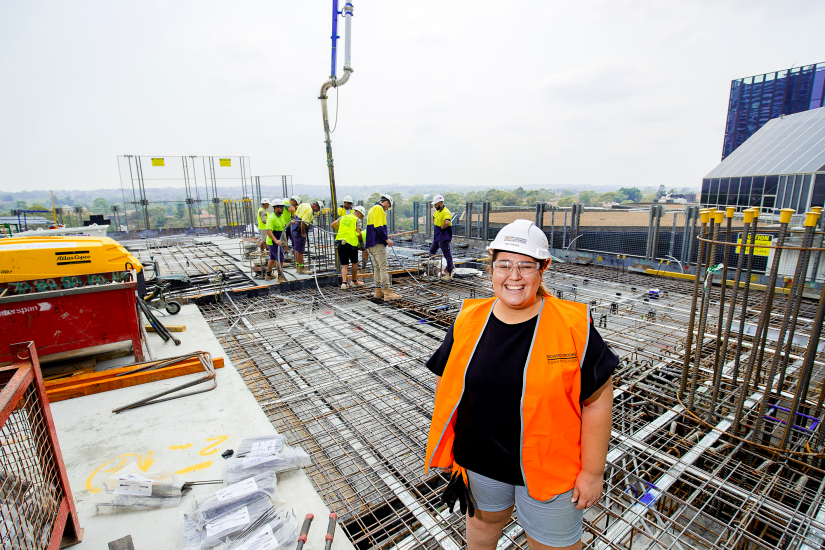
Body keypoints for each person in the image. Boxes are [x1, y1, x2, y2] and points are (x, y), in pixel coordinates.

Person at [424, 220, 617, 550]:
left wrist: (592, 472)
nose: (514, 276)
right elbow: (449, 380)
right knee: (482, 535)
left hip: (551, 470)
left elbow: (597, 401)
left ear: (544, 268)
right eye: (504, 265)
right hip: (481, 463)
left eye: (526, 266)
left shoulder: (573, 325)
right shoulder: (469, 318)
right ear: (492, 268)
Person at [366, 194, 400, 301]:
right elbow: (378, 227)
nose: (387, 209)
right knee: (383, 267)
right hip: (378, 243)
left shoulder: (372, 209)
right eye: (388, 206)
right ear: (386, 202)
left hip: (371, 244)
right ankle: (387, 292)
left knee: (377, 268)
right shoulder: (379, 209)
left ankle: (378, 291)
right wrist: (387, 239)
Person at [332, 205, 367, 289]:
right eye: (362, 216)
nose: (361, 218)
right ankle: (354, 281)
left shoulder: (343, 217)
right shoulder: (356, 220)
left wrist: (342, 229)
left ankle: (344, 283)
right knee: (354, 262)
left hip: (340, 242)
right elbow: (358, 232)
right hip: (351, 243)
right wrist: (361, 242)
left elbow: (333, 224)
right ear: (358, 213)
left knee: (344, 264)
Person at [291, 199, 323, 275]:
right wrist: (303, 233)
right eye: (317, 209)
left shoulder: (304, 204)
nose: (317, 211)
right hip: (299, 230)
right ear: (316, 206)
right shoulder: (309, 210)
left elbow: (296, 212)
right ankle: (301, 268)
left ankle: (298, 266)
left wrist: (295, 220)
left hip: (294, 228)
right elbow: (303, 222)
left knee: (297, 248)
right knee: (300, 250)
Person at [430, 195, 454, 281]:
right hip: (437, 236)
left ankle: (449, 273)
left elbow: (447, 222)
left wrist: (442, 227)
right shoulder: (437, 211)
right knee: (432, 251)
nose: (434, 206)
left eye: (436, 204)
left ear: (440, 203)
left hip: (443, 237)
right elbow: (433, 218)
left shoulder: (445, 212)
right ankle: (429, 268)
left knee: (447, 255)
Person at [264, 199, 288, 284]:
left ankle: (268, 274)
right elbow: (268, 230)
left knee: (272, 258)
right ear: (276, 208)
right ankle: (280, 276)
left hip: (277, 240)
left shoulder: (281, 216)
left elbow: (284, 225)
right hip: (273, 241)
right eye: (281, 208)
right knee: (280, 259)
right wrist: (276, 240)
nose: (283, 209)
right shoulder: (271, 217)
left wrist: (290, 223)